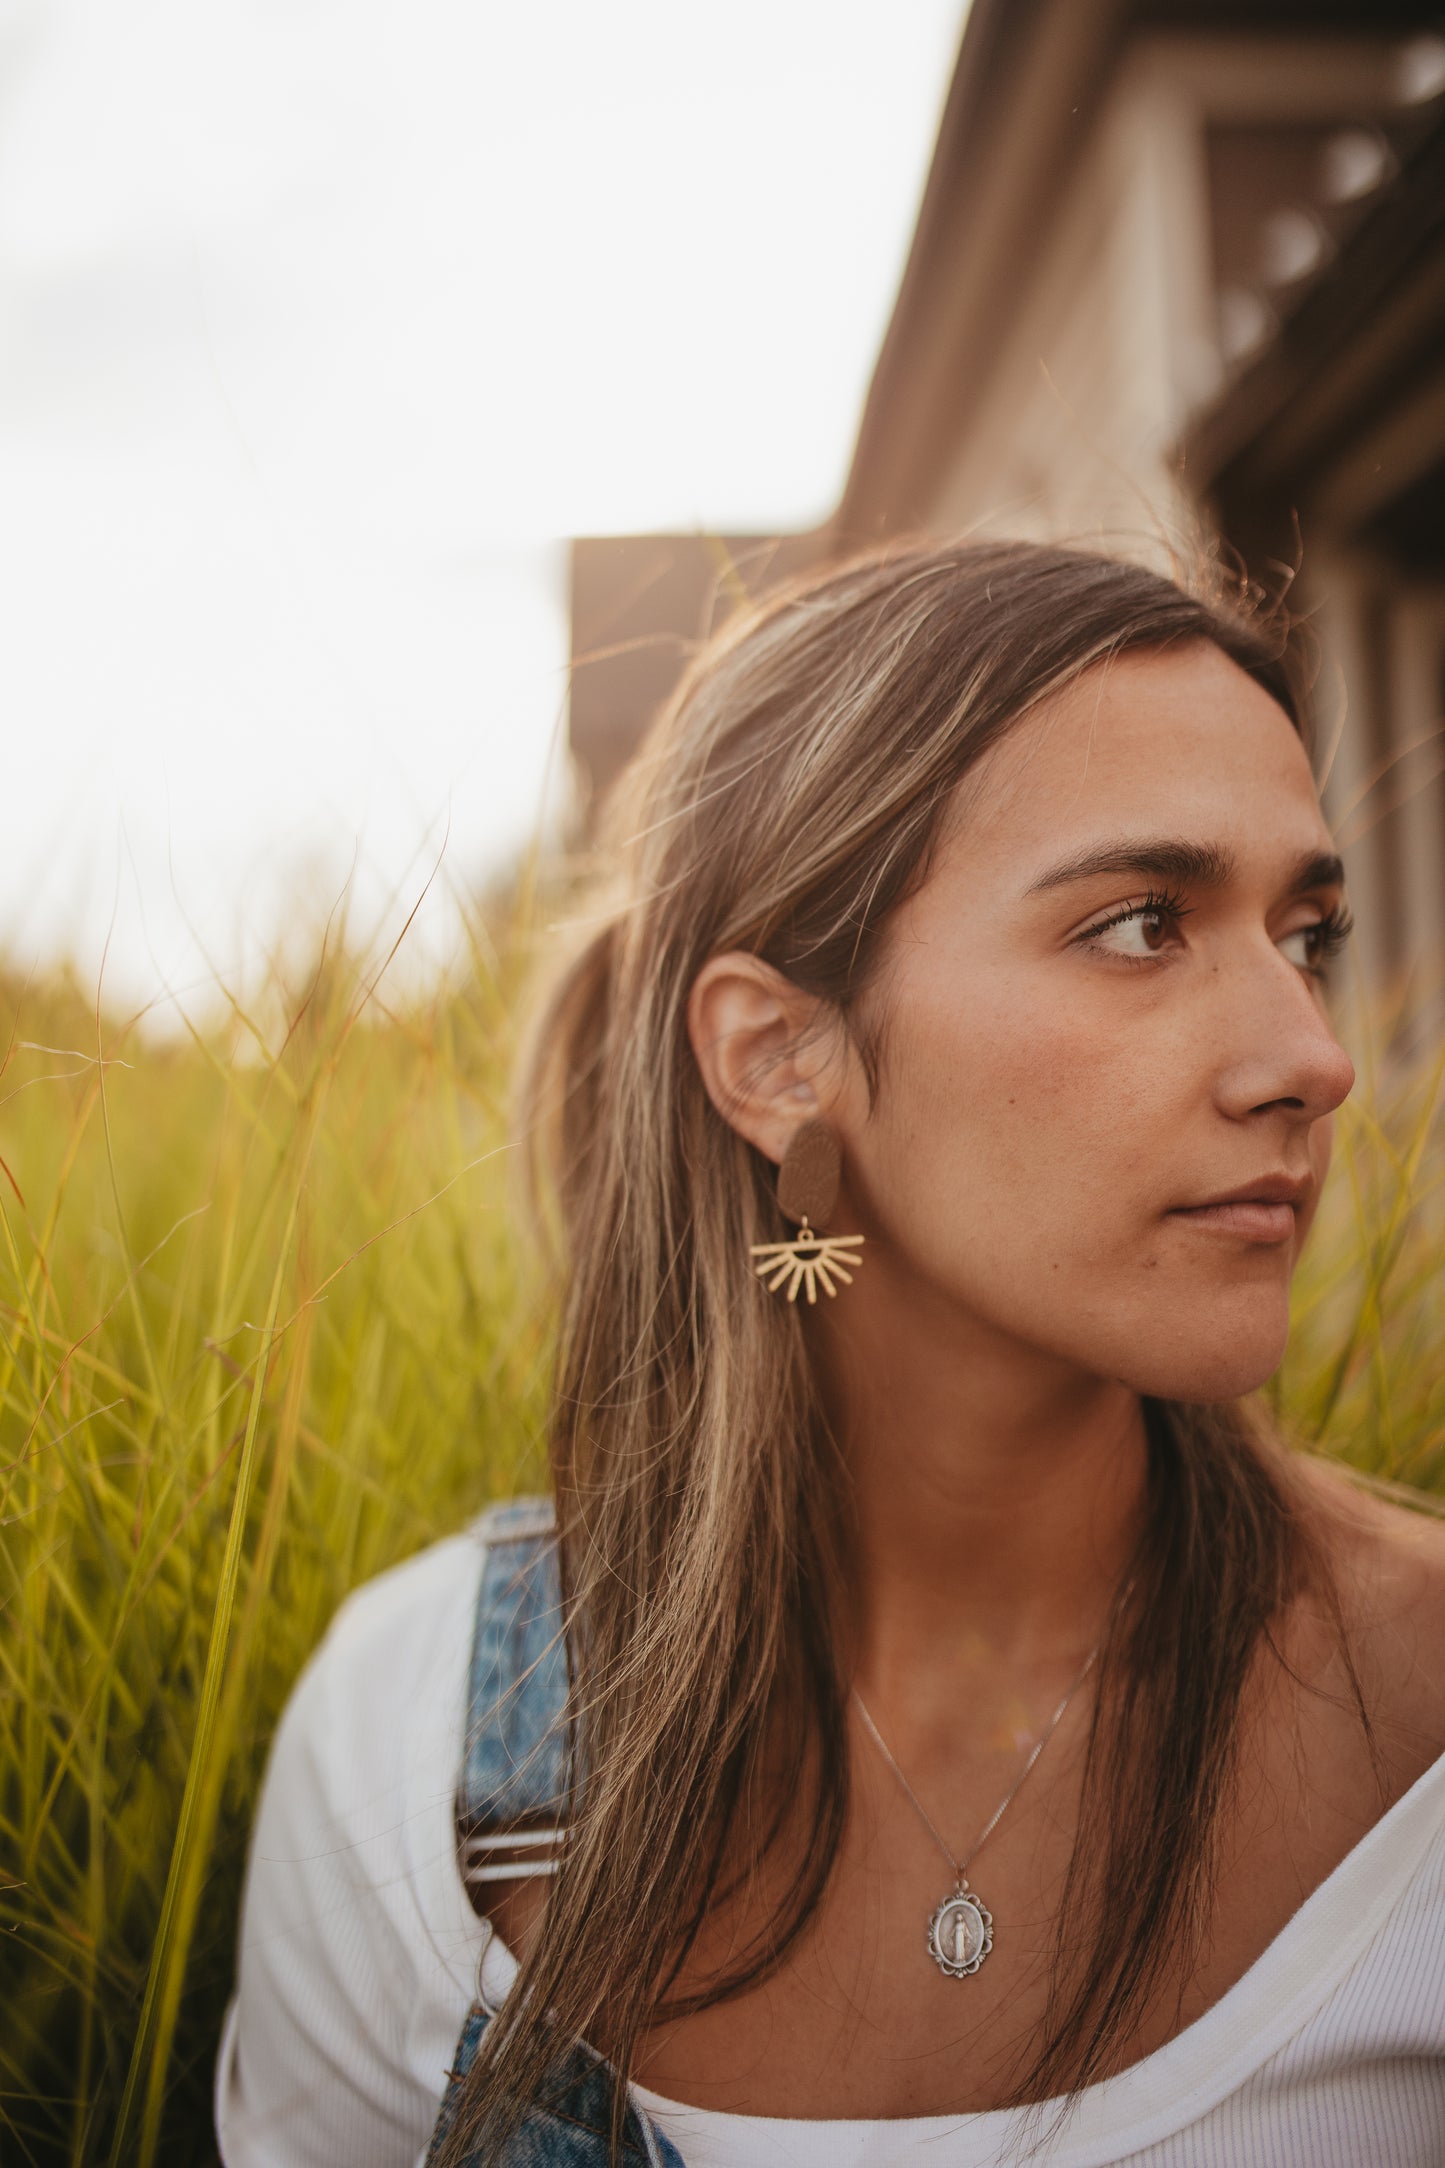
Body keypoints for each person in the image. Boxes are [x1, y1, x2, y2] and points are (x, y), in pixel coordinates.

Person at [215, 541, 1445, 2168]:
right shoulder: (406, 1754)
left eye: (1305, 932)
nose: (1309, 1056)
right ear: (781, 1056)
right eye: (1144, 923)